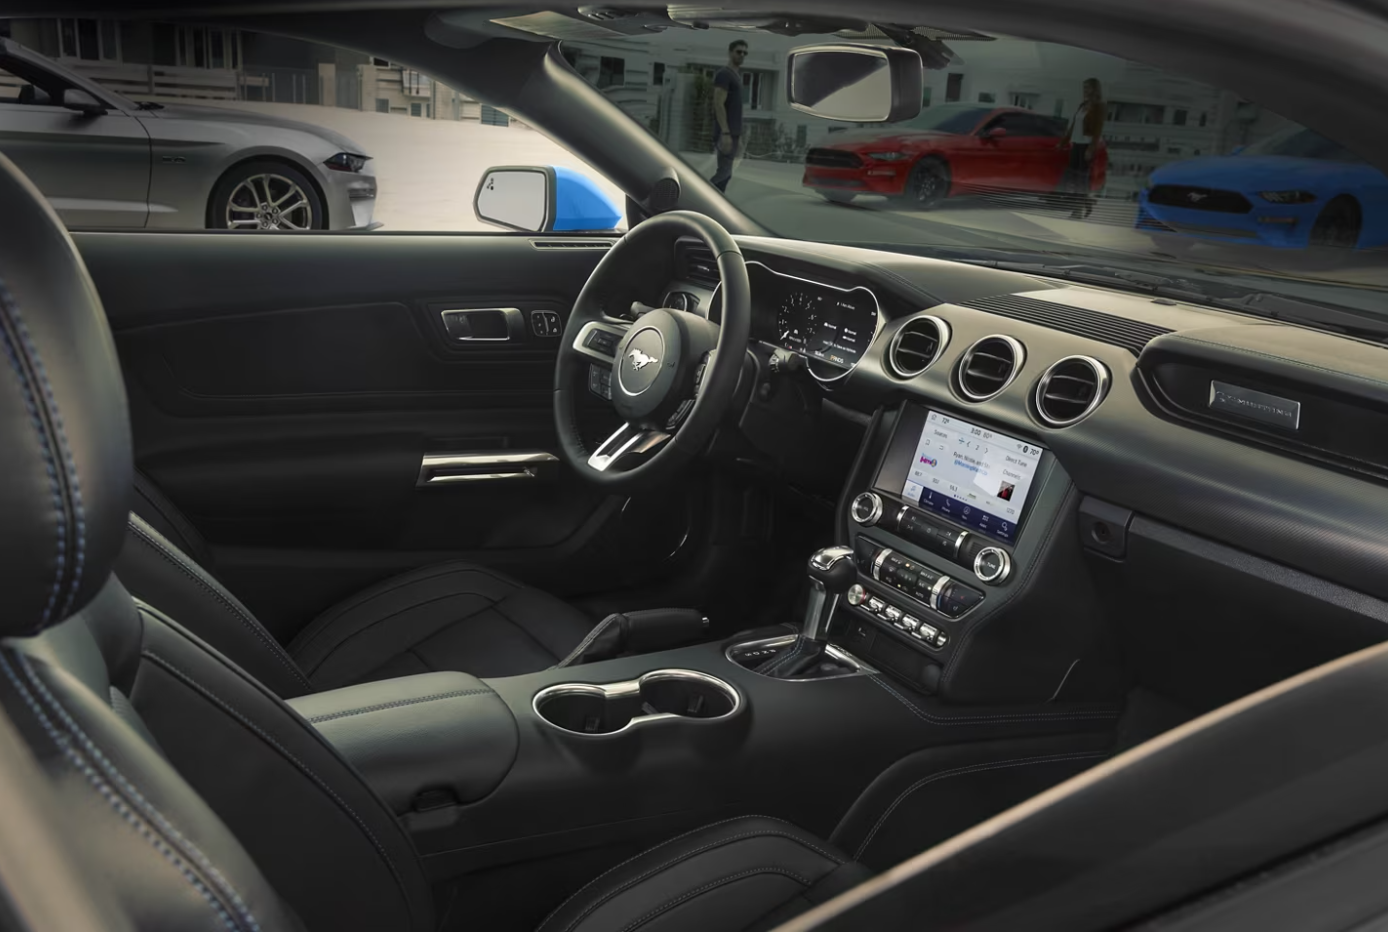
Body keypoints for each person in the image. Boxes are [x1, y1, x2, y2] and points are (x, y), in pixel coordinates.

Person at [1059, 77, 1105, 218]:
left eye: (1088, 88)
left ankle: (1077, 210)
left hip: (1086, 145)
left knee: (1081, 178)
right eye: (1084, 88)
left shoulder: (1099, 106)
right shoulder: (1082, 105)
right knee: (1073, 177)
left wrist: (1091, 148)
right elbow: (1073, 126)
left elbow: (1097, 130)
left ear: (1095, 89)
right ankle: (1087, 202)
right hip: (1076, 144)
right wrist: (1063, 143)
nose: (1085, 90)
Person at [710, 39, 748, 193]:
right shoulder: (724, 75)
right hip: (725, 133)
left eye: (745, 53)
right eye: (738, 52)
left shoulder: (736, 76)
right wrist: (725, 133)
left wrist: (738, 137)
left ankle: (713, 200)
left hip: (733, 133)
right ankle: (702, 198)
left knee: (726, 173)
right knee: (724, 173)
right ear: (730, 52)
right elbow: (718, 104)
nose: (742, 55)